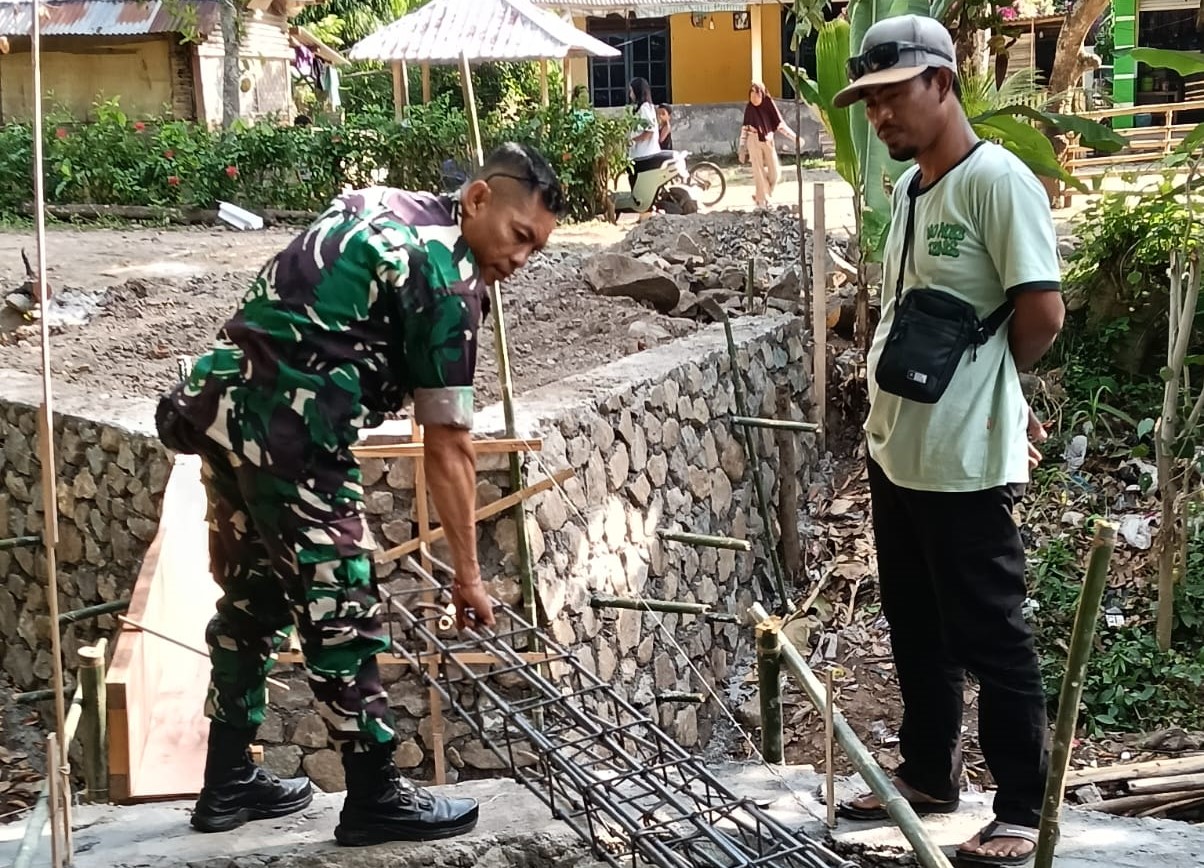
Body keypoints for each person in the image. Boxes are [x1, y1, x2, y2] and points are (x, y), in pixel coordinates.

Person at [154, 143, 564, 847]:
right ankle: (374, 794)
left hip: (222, 406)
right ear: (478, 200)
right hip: (296, 431)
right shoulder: (448, 280)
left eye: (537, 249)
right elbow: (448, 443)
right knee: (339, 602)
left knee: (254, 598)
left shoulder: (386, 205)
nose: (522, 258)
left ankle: (227, 779)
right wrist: (468, 577)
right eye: (520, 235)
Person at [830, 15, 1064, 868]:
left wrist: (995, 388)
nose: (879, 116)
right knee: (914, 621)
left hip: (963, 458)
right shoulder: (908, 189)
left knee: (990, 631)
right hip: (897, 448)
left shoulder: (997, 182)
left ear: (942, 83)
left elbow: (1041, 314)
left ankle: (1022, 807)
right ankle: (929, 772)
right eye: (869, 103)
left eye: (893, 96)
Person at [737, 82, 802, 207]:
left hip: (768, 140)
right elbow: (745, 128)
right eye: (751, 93)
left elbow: (780, 125)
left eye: (757, 93)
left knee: (775, 173)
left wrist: (794, 138)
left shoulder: (769, 106)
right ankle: (762, 201)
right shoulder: (750, 109)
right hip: (753, 139)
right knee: (758, 171)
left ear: (762, 94)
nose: (754, 96)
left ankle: (761, 194)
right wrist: (742, 148)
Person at [628, 77, 660, 161]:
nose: (630, 95)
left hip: (644, 154)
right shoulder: (648, 107)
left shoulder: (644, 108)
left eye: (631, 91)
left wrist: (631, 141)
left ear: (637, 91)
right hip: (644, 153)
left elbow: (649, 132)